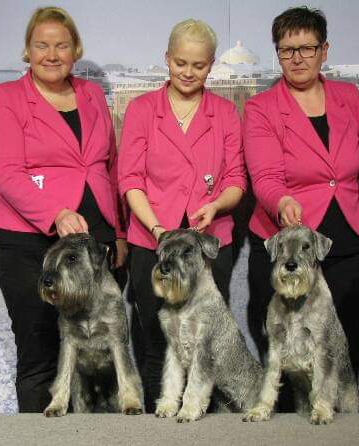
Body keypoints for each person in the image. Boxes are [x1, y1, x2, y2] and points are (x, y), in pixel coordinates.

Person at [0, 6, 127, 412]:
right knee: (42, 358)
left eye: (61, 45)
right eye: (41, 45)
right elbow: (7, 173)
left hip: (95, 246)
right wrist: (55, 214)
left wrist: (118, 232)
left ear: (75, 50)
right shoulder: (5, 98)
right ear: (27, 51)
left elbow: (109, 167)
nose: (51, 55)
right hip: (30, 247)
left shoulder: (92, 94)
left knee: (100, 360)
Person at [117, 19, 246, 413]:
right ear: (167, 58)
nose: (188, 72)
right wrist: (157, 229)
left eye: (199, 65)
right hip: (151, 241)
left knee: (206, 342)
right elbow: (130, 179)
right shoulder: (141, 110)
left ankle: (204, 421)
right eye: (180, 63)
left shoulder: (225, 112)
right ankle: (159, 424)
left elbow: (236, 179)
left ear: (211, 66)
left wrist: (217, 205)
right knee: (156, 343)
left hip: (207, 246)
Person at [244, 6, 359, 378]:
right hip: (288, 241)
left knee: (344, 347)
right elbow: (265, 176)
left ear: (324, 50)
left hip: (349, 239)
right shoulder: (261, 108)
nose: (297, 58)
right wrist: (282, 201)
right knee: (286, 357)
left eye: (307, 48)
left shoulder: (350, 97)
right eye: (287, 50)